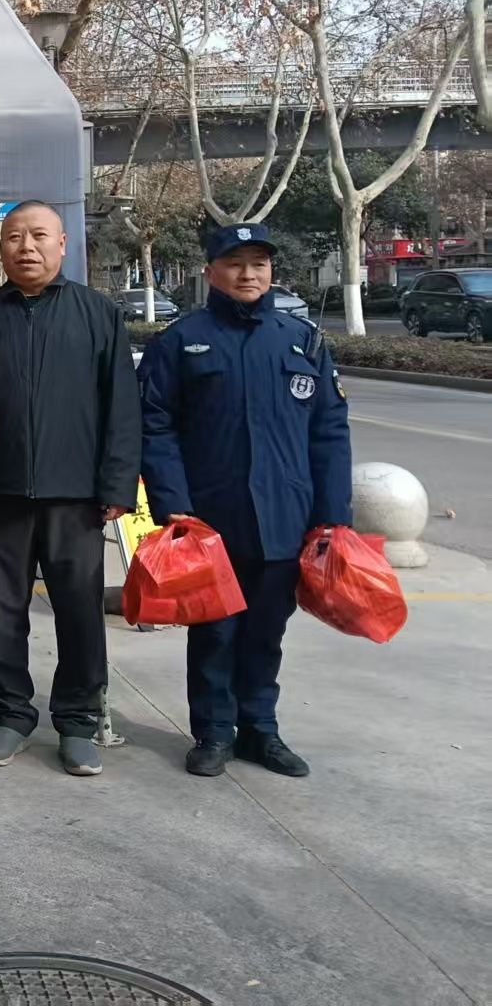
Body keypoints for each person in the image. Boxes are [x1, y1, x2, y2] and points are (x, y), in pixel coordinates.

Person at [138, 222, 351, 778]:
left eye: (259, 263)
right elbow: (155, 426)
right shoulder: (182, 341)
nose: (248, 273)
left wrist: (332, 516)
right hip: (212, 517)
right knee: (215, 630)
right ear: (210, 272)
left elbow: (329, 431)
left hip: (286, 516)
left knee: (266, 632)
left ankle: (261, 729)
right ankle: (213, 731)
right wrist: (173, 503)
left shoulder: (302, 340)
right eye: (235, 263)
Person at [0, 200, 140, 777]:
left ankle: (77, 721)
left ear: (62, 244)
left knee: (79, 611)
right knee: (2, 613)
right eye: (14, 237)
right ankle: (12, 713)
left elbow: (122, 406)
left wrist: (116, 484)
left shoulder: (97, 314)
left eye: (38, 236)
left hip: (76, 495)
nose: (26, 247)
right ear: (0, 247)